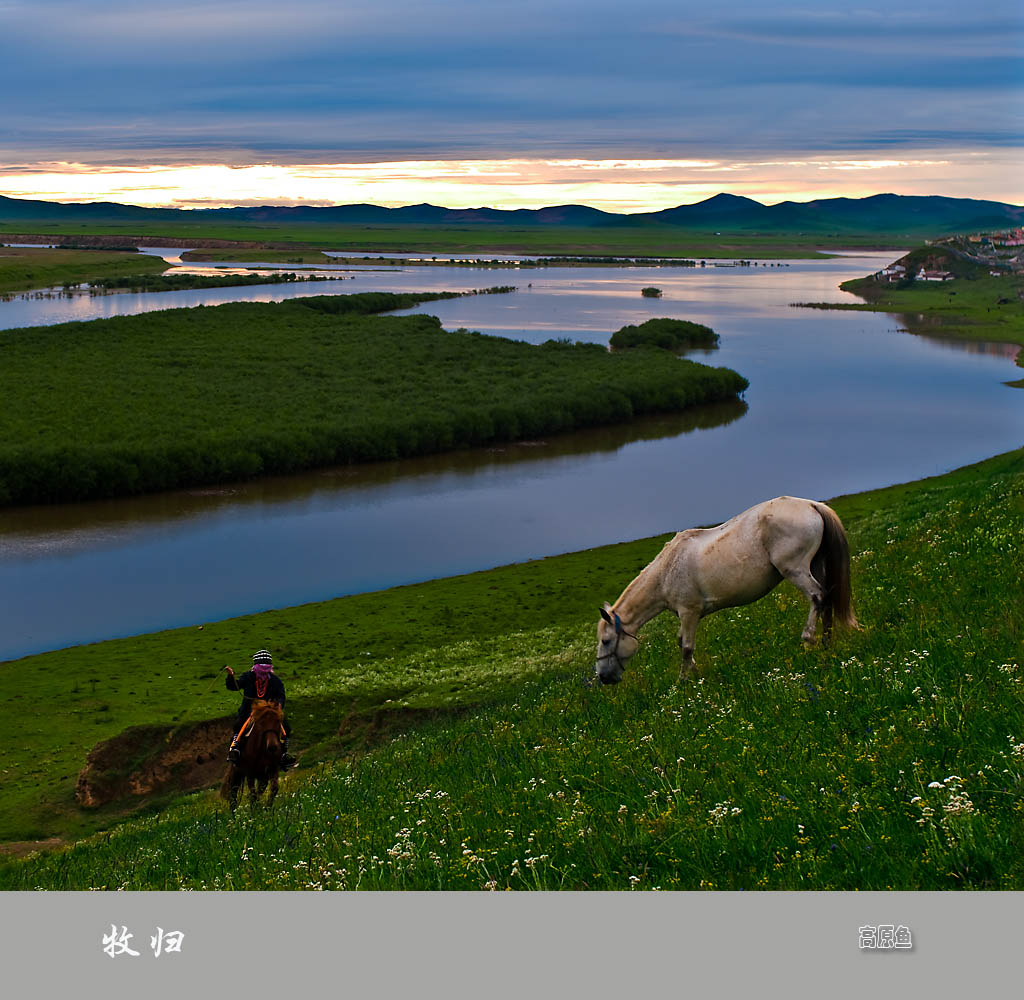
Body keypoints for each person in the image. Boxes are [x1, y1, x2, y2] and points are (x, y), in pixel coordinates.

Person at [225, 649, 296, 770]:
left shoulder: (275, 680)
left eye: (266, 664)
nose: (264, 667)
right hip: (249, 711)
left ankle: (284, 754)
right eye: (261, 664)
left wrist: (279, 705)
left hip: (269, 712)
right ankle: (235, 748)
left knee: (286, 728)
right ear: (255, 665)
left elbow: (281, 695)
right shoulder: (248, 677)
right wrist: (230, 676)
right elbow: (234, 686)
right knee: (239, 724)